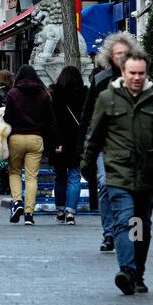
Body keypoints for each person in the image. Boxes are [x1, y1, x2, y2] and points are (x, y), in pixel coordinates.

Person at [82, 50, 153, 295]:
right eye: (132, 73)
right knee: (125, 221)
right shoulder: (108, 98)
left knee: (140, 225)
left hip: (147, 174)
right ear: (123, 72)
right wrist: (87, 163)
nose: (136, 78)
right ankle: (126, 269)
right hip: (119, 172)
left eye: (141, 73)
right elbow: (95, 135)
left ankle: (138, 272)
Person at [82, 32, 145, 252]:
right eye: (117, 54)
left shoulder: (140, 80)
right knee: (104, 184)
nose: (120, 58)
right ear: (109, 57)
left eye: (125, 54)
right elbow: (87, 114)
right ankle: (109, 234)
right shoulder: (100, 81)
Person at [3, 64, 57, 225]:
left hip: (16, 137)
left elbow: (7, 118)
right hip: (36, 137)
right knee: (32, 177)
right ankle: (29, 213)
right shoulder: (43, 94)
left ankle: (17, 202)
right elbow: (50, 120)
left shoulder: (13, 93)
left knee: (14, 172)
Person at [51, 66, 87, 224]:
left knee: (60, 177)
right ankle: (71, 212)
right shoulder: (84, 93)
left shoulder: (55, 94)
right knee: (74, 176)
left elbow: (51, 120)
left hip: (59, 140)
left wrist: (54, 141)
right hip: (76, 140)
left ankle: (59, 210)